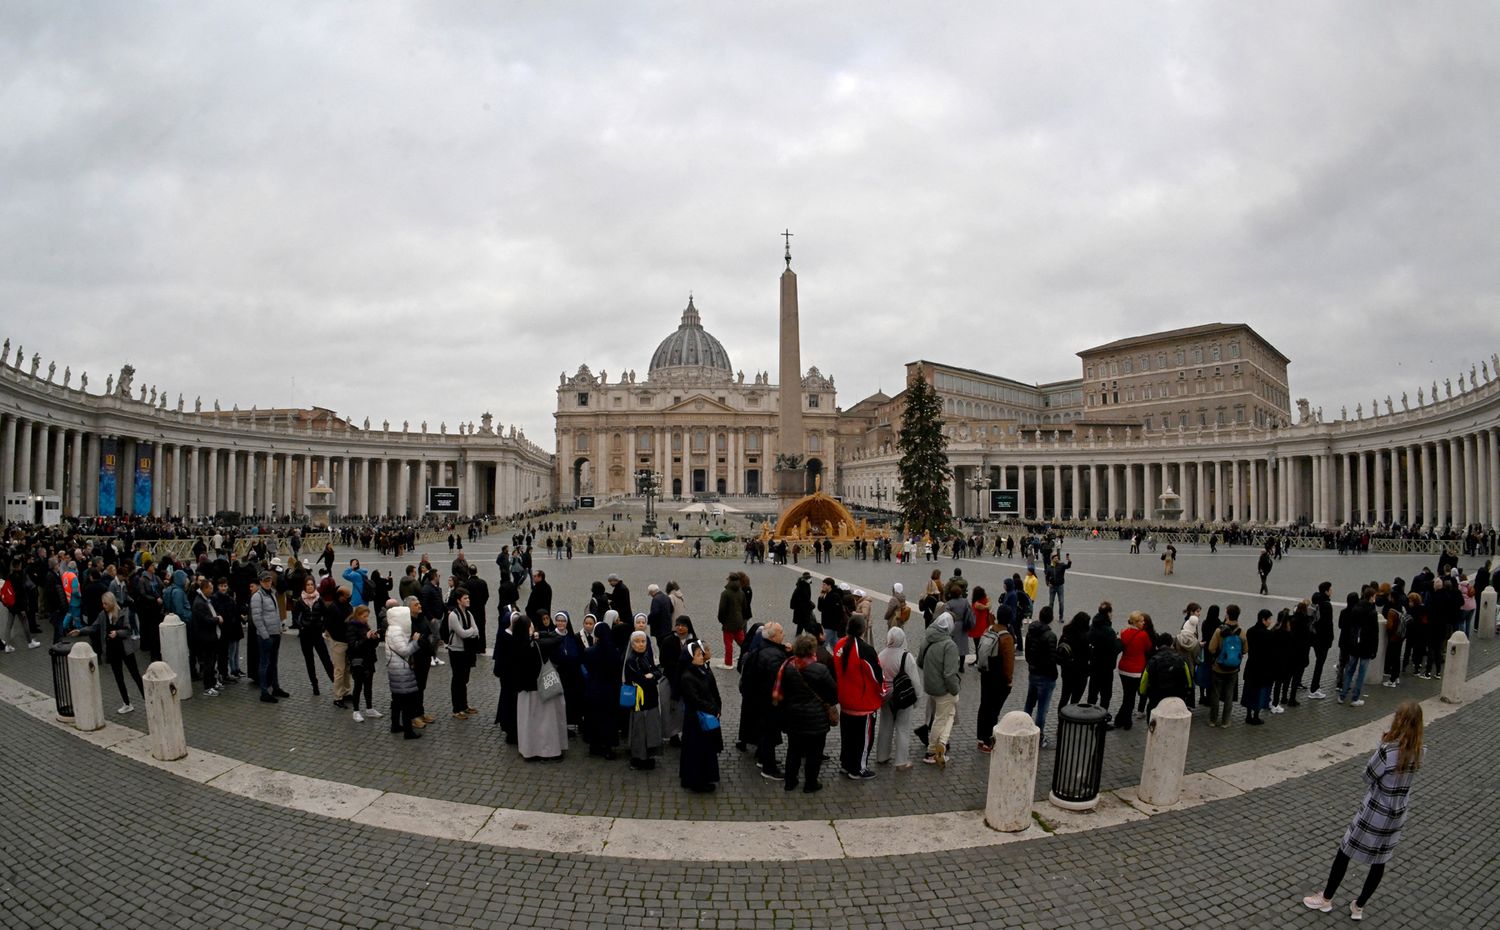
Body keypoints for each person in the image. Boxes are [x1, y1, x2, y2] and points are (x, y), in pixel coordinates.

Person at [1303, 702, 1424, 921]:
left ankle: (1326, 898)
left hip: (1375, 812)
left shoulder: (1388, 751)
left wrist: (1383, 742)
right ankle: (1358, 906)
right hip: (1396, 816)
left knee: (1345, 851)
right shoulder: (1419, 751)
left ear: (1399, 720)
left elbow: (1367, 775)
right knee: (1379, 861)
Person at [773, 633, 837, 793]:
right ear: (812, 650)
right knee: (814, 753)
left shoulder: (787, 666)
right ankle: (810, 783)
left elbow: (783, 694)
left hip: (793, 717)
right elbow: (833, 694)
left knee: (793, 751)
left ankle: (790, 781)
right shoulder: (820, 669)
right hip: (816, 719)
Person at [834, 616, 883, 779]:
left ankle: (846, 764)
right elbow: (876, 676)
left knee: (847, 736)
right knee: (863, 740)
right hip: (863, 703)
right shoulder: (865, 650)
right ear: (863, 629)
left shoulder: (839, 645)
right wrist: (882, 692)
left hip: (845, 699)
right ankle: (859, 768)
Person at [517, 613, 568, 762]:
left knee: (529, 724)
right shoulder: (536, 646)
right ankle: (548, 751)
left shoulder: (516, 644)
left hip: (525, 692)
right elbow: (558, 638)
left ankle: (529, 750)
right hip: (540, 690)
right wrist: (541, 633)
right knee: (546, 724)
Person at [742, 621, 789, 778]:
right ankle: (769, 768)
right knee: (769, 732)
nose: (784, 635)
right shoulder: (773, 657)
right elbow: (776, 681)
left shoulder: (761, 648)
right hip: (769, 702)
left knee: (765, 732)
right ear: (774, 636)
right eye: (781, 632)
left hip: (757, 699)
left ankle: (764, 759)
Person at [677, 640, 723, 793]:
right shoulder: (687, 677)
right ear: (690, 658)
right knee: (697, 751)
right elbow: (695, 700)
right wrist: (713, 709)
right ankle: (697, 781)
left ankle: (700, 778)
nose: (701, 657)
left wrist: (716, 706)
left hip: (701, 717)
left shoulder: (701, 671)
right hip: (696, 720)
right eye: (698, 655)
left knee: (703, 750)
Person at [918, 611, 961, 766]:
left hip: (930, 685)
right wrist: (955, 689)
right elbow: (950, 674)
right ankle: (931, 751)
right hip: (944, 689)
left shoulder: (927, 639)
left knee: (949, 714)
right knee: (941, 718)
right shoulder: (949, 645)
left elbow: (920, 662)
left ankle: (942, 743)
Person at [974, 605, 1016, 754]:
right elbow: (1009, 662)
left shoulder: (989, 630)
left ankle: (980, 737)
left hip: (986, 673)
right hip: (998, 678)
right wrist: (1009, 680)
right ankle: (988, 740)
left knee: (984, 704)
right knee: (993, 709)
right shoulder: (1006, 637)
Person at [93, 592, 144, 714]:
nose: (103, 606)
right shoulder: (102, 615)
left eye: (105, 603)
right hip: (112, 650)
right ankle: (126, 703)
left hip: (125, 649)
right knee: (118, 678)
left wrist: (117, 633)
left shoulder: (122, 612)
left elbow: (128, 631)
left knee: (135, 674)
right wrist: (80, 631)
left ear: (111, 603)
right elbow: (94, 627)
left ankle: (148, 698)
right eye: (103, 603)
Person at [876, 626, 918, 768]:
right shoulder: (906, 657)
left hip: (886, 697)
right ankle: (901, 760)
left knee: (885, 726)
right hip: (902, 697)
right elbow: (914, 680)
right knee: (903, 728)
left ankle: (882, 756)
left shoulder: (881, 655)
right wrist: (916, 698)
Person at [623, 630, 663, 769]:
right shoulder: (631, 661)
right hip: (640, 702)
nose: (641, 644)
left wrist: (652, 675)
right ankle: (639, 758)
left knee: (651, 729)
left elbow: (657, 672)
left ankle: (648, 755)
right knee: (639, 731)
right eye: (637, 642)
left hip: (650, 699)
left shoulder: (646, 656)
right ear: (632, 644)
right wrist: (653, 676)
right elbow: (643, 680)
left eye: (643, 641)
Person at [581, 613, 620, 759]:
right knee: (609, 720)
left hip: (593, 689)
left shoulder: (589, 651)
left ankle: (594, 745)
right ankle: (608, 747)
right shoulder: (614, 652)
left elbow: (587, 669)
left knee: (593, 718)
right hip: (609, 690)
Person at [1023, 606, 1061, 748]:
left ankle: (1023, 729)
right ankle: (1039, 737)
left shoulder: (1031, 631)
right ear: (1051, 618)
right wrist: (1054, 674)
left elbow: (1027, 652)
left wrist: (1031, 664)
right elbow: (1052, 659)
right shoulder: (1050, 636)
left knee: (1029, 704)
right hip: (1045, 676)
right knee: (1042, 709)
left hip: (1033, 672)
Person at [383, 605, 422, 739]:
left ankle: (395, 725)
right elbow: (405, 651)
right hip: (401, 672)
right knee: (407, 702)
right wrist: (415, 642)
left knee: (397, 700)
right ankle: (408, 731)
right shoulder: (397, 632)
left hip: (395, 669)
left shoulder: (392, 629)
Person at [290, 575, 334, 695]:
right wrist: (301, 626)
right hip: (305, 635)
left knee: (326, 659)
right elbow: (295, 615)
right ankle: (314, 685)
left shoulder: (319, 599)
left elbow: (326, 614)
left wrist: (323, 626)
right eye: (308, 585)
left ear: (314, 586)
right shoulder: (300, 600)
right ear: (305, 586)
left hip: (317, 634)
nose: (310, 587)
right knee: (309, 661)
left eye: (311, 585)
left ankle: (336, 683)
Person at [249, 574, 287, 704]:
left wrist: (279, 628)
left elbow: (276, 613)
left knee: (273, 663)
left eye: (269, 581)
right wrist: (265, 635)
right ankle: (264, 692)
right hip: (266, 636)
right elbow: (257, 618)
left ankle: (276, 687)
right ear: (260, 582)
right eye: (265, 581)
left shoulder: (272, 593)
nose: (267, 583)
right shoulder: (257, 597)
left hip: (275, 633)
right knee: (264, 663)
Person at [1206, 605, 1245, 728]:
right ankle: (1225, 721)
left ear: (1227, 614)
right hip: (1233, 669)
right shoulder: (1241, 632)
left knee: (1215, 694)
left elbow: (1211, 649)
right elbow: (1245, 649)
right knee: (1229, 695)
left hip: (1218, 667)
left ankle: (1213, 720)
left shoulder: (1219, 631)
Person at [1339, 587, 1380, 706]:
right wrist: (1374, 650)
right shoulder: (1372, 613)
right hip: (1366, 647)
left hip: (1354, 645)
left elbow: (1352, 627)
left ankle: (1342, 695)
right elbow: (1375, 633)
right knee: (1361, 673)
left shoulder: (1356, 609)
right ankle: (1355, 698)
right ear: (1371, 597)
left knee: (1350, 670)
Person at [444, 588, 479, 719]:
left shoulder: (468, 614)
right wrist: (470, 631)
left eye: (468, 598)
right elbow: (462, 633)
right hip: (456, 651)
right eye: (465, 598)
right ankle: (456, 709)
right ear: (459, 601)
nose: (468, 600)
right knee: (457, 680)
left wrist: (469, 631)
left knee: (464, 679)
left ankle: (464, 705)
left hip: (467, 651)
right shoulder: (453, 615)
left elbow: (477, 631)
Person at [1114, 610, 1151, 730]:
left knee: (1127, 695)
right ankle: (1125, 721)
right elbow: (1148, 647)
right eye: (1141, 621)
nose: (1143, 623)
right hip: (1136, 670)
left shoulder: (1124, 632)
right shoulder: (1143, 635)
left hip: (1123, 668)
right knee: (1130, 697)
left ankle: (1120, 719)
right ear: (1135, 622)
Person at [345, 605, 382, 722]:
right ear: (358, 615)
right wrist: (366, 638)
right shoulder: (351, 627)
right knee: (358, 686)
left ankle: (369, 708)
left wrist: (375, 638)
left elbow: (373, 645)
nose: (366, 619)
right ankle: (356, 711)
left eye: (367, 616)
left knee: (368, 686)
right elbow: (354, 646)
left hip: (369, 660)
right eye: (364, 616)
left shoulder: (365, 626)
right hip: (358, 662)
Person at [1241, 609, 1275, 725]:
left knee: (1250, 691)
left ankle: (1248, 715)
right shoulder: (1268, 634)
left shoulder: (1250, 631)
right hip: (1263, 669)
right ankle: (1256, 716)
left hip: (1251, 667)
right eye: (1269, 619)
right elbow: (1271, 652)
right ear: (1263, 620)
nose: (1270, 621)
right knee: (1259, 693)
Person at [188, 579, 221, 697]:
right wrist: (217, 619)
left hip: (210, 637)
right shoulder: (200, 603)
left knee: (212, 662)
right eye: (210, 588)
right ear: (205, 589)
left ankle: (212, 682)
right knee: (208, 663)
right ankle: (208, 687)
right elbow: (206, 620)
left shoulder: (204, 600)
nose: (212, 591)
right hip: (205, 638)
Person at [1057, 610, 1090, 707]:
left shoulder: (1066, 633)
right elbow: (1088, 655)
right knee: (1075, 700)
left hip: (1066, 670)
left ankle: (1061, 720)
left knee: (1064, 697)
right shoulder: (1085, 638)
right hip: (1080, 673)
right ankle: (1071, 719)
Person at [716, 573, 745, 668]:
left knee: (728, 644)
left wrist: (722, 621)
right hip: (739, 621)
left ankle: (728, 663)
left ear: (729, 580)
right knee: (743, 642)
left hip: (728, 623)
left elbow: (722, 610)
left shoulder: (725, 593)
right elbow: (744, 607)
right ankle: (750, 657)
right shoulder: (741, 592)